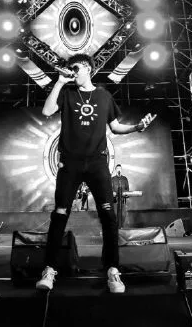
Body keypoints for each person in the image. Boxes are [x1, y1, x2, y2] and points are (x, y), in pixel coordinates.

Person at [36, 54, 155, 293]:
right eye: (69, 68)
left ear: (87, 68)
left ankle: (112, 270)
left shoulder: (104, 96)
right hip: (70, 163)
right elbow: (47, 111)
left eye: (75, 68)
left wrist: (137, 127)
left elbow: (115, 127)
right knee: (59, 214)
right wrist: (59, 81)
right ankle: (49, 270)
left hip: (98, 163)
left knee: (108, 216)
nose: (71, 72)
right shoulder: (67, 93)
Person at [111, 164, 130, 229]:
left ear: (121, 170)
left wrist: (126, 193)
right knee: (115, 214)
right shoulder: (112, 179)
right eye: (117, 168)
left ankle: (121, 227)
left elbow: (127, 189)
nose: (119, 169)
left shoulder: (124, 179)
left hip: (122, 200)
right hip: (115, 201)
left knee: (123, 215)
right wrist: (112, 193)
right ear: (115, 170)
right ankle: (115, 228)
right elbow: (109, 189)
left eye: (120, 168)